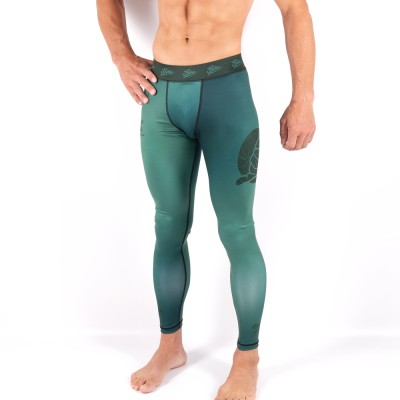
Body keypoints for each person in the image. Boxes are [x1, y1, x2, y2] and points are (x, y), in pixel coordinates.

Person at [96, 0, 316, 398]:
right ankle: (170, 346)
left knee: (237, 230)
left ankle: (247, 359)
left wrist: (303, 98)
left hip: (225, 93)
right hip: (161, 94)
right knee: (168, 225)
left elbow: (294, 10)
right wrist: (120, 55)